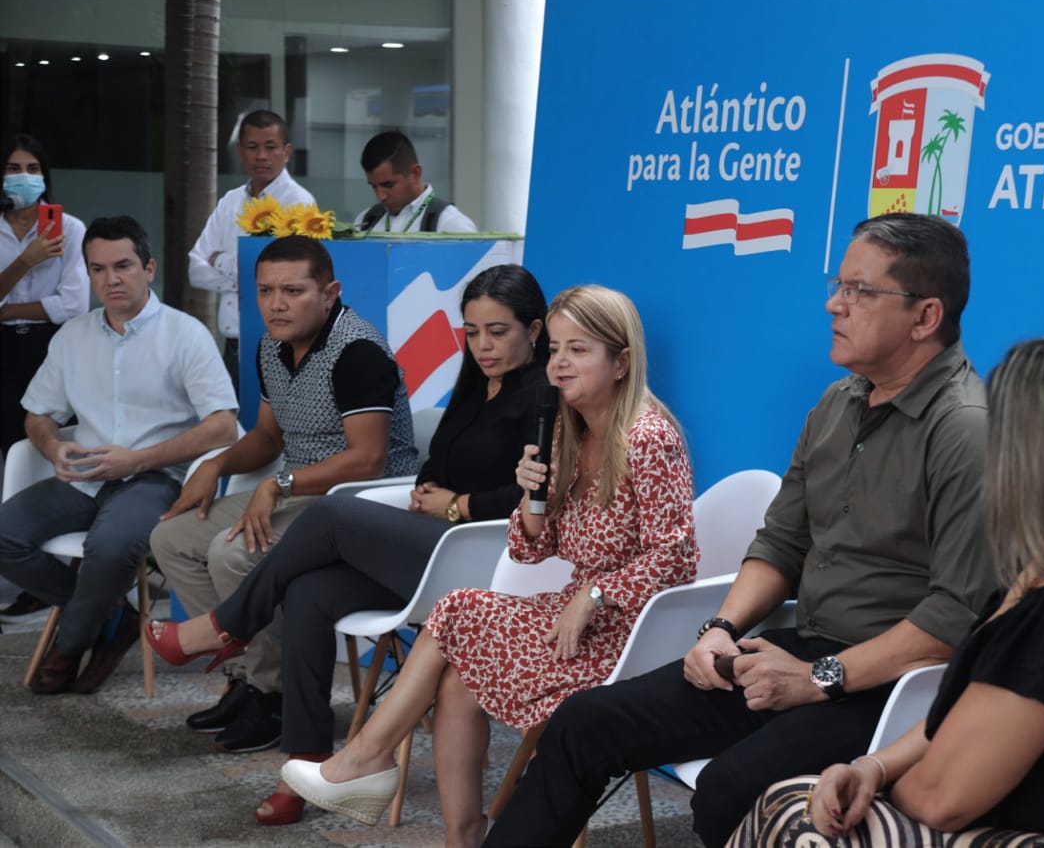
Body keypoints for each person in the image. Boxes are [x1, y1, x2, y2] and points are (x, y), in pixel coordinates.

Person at [483, 213, 996, 848]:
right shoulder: (837, 405)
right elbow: (779, 543)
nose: (834, 302)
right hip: (795, 649)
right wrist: (719, 631)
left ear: (925, 318)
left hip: (891, 685)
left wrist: (817, 679)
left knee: (733, 786)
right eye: (839, 283)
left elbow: (956, 617)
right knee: (584, 721)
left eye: (860, 291)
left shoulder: (965, 430)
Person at [727, 336, 1044, 848]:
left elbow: (941, 800)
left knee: (796, 813)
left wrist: (877, 794)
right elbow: (968, 716)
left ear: (1024, 460)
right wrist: (874, 767)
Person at [280, 284, 699, 847]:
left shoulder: (648, 438)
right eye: (554, 349)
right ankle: (460, 835)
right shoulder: (567, 429)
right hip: (576, 617)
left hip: (635, 632)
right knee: (458, 680)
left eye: (579, 350)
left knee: (455, 609)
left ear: (621, 361)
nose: (559, 364)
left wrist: (594, 597)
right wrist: (533, 501)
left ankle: (365, 760)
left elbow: (677, 557)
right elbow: (530, 551)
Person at [146, 263, 551, 825]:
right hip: (432, 543)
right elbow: (437, 461)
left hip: (487, 560)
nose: (483, 345)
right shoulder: (478, 380)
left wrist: (459, 505)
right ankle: (308, 763)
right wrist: (436, 489)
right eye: (472, 331)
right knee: (310, 592)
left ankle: (225, 624)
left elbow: (538, 495)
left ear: (535, 329)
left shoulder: (545, 396)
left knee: (335, 510)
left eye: (498, 332)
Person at [150, 234, 417, 753]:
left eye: (293, 290)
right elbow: (269, 437)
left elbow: (368, 459)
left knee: (233, 552)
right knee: (173, 538)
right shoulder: (271, 346)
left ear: (330, 291)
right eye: (265, 290)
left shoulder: (359, 352)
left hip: (363, 504)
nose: (276, 303)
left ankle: (271, 698)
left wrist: (277, 485)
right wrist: (216, 464)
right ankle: (250, 680)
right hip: (298, 493)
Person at [0, 215, 238, 694]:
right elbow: (37, 416)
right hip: (84, 474)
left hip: (155, 479)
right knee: (4, 536)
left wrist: (140, 460)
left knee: (108, 548)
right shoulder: (72, 337)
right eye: (98, 269)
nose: (111, 279)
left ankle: (68, 646)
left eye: (123, 266)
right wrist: (52, 445)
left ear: (148, 268)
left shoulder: (185, 334)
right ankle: (112, 613)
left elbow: (223, 425)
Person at [0, 133, 91, 627]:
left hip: (49, 348)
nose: (25, 176)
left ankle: (45, 579)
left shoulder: (69, 228)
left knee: (45, 448)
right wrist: (27, 261)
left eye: (33, 167)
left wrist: (6, 306)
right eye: (14, 167)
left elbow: (73, 305)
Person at [189, 110, 315, 391]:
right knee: (236, 432)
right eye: (252, 147)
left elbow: (291, 281)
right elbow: (195, 269)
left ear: (287, 152)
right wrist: (248, 277)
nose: (261, 156)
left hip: (283, 345)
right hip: (233, 346)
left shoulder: (299, 204)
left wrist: (220, 259)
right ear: (240, 151)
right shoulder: (231, 201)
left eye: (270, 147)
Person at [353, 131, 478, 234]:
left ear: (415, 172)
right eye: (374, 186)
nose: (381, 197)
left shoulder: (451, 224)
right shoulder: (365, 220)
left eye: (388, 185)